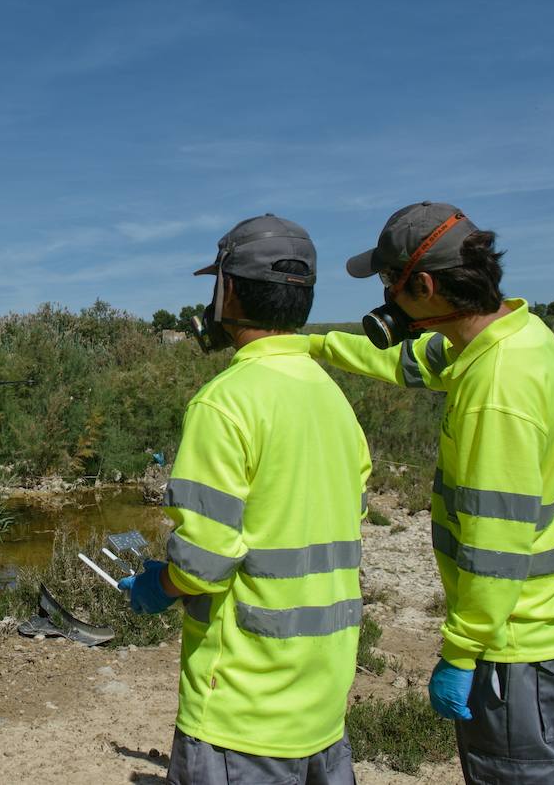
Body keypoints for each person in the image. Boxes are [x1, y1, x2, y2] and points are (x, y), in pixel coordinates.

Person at [312, 201, 554, 784]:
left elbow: (493, 545)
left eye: (387, 283)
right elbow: (414, 361)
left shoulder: (496, 389)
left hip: (521, 656)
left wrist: (460, 651)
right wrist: (315, 345)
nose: (385, 298)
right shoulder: (513, 337)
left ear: (422, 286)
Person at [120, 214, 370, 785]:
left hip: (241, 711)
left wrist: (158, 585)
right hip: (324, 702)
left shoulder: (223, 403)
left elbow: (204, 563)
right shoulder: (334, 400)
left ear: (226, 290)